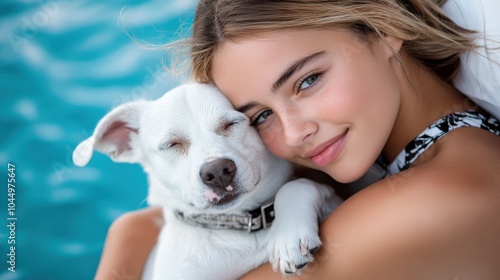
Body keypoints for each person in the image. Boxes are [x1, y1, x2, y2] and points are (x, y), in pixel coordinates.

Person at [95, 0, 500, 279]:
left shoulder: (448, 199)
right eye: (260, 116)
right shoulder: (395, 140)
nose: (294, 133)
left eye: (308, 80)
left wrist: (127, 237)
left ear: (384, 27)